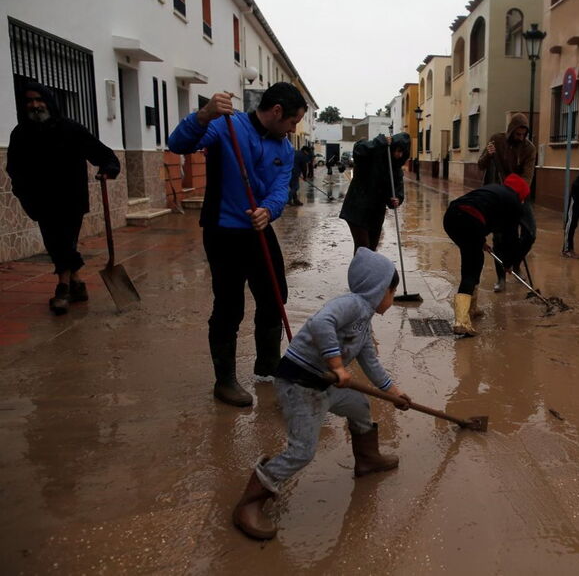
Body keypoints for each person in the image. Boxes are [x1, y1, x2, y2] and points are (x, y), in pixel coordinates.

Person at [232, 248, 411, 540]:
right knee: (302, 451)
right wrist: (337, 365)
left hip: (326, 387)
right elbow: (320, 323)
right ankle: (250, 502)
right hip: (299, 385)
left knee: (359, 407)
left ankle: (367, 459)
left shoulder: (364, 323)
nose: (392, 299)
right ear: (379, 290)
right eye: (392, 291)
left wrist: (395, 393)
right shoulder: (351, 304)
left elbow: (371, 364)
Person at [167, 83, 307, 407]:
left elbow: (280, 188)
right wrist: (203, 115)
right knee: (230, 305)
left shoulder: (284, 148)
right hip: (223, 229)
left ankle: (268, 364)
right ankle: (225, 381)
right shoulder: (226, 126)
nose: (293, 129)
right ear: (276, 112)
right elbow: (178, 144)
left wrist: (268, 210)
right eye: (292, 121)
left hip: (258, 227)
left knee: (275, 295)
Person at [6, 81, 121, 315]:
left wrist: (108, 167)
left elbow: (100, 152)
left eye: (39, 100)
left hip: (71, 197)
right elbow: (13, 167)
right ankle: (77, 282)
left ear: (48, 102)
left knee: (64, 241)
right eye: (29, 101)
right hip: (41, 200)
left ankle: (63, 287)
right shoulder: (20, 134)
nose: (35, 105)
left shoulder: (70, 129)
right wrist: (22, 191)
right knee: (54, 242)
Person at [443, 174, 533, 336]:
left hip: (451, 216)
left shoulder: (494, 190)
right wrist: (508, 263)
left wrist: (480, 241)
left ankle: (472, 308)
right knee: (471, 268)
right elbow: (510, 239)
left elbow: (482, 210)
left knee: (474, 259)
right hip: (469, 221)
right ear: (521, 194)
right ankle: (461, 321)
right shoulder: (514, 203)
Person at [477, 113, 537, 292]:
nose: (520, 138)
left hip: (518, 194)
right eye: (517, 134)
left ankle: (514, 262)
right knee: (500, 238)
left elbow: (527, 176)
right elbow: (481, 164)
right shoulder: (496, 140)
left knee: (530, 233)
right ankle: (501, 278)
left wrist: (516, 192)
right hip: (497, 196)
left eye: (523, 135)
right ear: (511, 131)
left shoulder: (529, 149)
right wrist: (488, 155)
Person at [339, 133, 410, 253]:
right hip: (357, 208)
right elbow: (358, 149)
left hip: (376, 214)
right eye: (397, 150)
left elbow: (397, 191)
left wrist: (397, 199)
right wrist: (380, 141)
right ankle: (359, 272)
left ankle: (367, 271)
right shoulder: (373, 154)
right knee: (363, 248)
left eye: (402, 152)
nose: (399, 155)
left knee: (371, 249)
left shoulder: (396, 169)